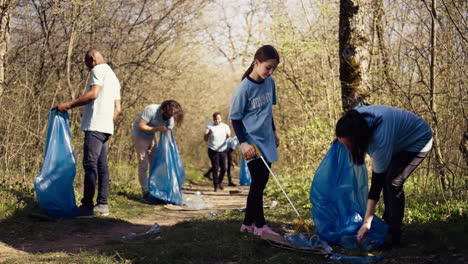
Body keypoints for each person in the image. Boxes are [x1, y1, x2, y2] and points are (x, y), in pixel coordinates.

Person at [335, 105, 433, 247]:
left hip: (418, 140)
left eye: (348, 145)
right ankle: (388, 224)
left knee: (393, 182)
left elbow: (376, 185)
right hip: (397, 140)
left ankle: (394, 234)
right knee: (389, 179)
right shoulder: (354, 118)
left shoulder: (380, 141)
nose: (346, 148)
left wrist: (367, 222)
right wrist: (340, 137)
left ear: (357, 139)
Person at [56, 48, 121, 217]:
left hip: (95, 126)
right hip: (106, 128)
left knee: (90, 165)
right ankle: (103, 204)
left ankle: (86, 207)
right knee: (102, 166)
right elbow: (118, 109)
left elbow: (93, 94)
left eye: (87, 65)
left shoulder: (98, 70)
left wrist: (68, 105)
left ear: (92, 59)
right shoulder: (114, 77)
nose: (88, 69)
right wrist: (108, 122)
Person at [229, 45, 280, 236]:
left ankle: (247, 223)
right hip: (251, 142)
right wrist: (243, 143)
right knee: (258, 181)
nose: (271, 72)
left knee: (260, 182)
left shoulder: (270, 83)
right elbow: (235, 118)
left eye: (274, 68)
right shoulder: (243, 89)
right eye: (268, 67)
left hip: (266, 139)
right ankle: (260, 226)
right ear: (256, 63)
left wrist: (274, 132)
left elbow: (268, 111)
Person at [132, 100, 184, 200]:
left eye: (174, 114)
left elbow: (168, 131)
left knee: (156, 163)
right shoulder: (151, 110)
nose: (172, 116)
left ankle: (155, 189)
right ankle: (145, 191)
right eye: (171, 113)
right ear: (165, 109)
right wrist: (157, 129)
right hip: (139, 135)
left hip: (151, 136)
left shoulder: (170, 117)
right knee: (143, 163)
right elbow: (141, 125)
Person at [204, 112, 231, 191]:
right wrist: (209, 133)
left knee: (224, 168)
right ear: (213, 120)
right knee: (215, 168)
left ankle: (219, 182)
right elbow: (205, 139)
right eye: (215, 119)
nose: (217, 121)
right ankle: (216, 185)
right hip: (213, 149)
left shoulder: (225, 126)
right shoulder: (209, 127)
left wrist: (229, 138)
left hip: (223, 149)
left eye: (218, 119)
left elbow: (229, 136)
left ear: (221, 119)